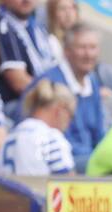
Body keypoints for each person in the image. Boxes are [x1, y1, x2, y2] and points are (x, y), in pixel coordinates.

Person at [27, 23, 103, 167]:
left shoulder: (92, 81)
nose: (88, 54)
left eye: (92, 48)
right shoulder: (50, 83)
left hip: (89, 158)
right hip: (60, 160)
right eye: (82, 48)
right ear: (66, 51)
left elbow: (99, 132)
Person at [0, 77, 72, 174]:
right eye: (71, 115)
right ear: (60, 110)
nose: (69, 123)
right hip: (38, 189)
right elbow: (67, 183)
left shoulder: (8, 139)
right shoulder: (51, 137)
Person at [0, 0, 54, 102]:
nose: (26, 0)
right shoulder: (2, 25)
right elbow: (19, 83)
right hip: (16, 104)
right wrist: (54, 94)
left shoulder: (37, 27)